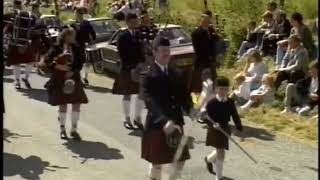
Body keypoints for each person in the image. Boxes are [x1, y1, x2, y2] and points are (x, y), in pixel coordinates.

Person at [141, 37, 193, 180]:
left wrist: (192, 110)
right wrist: (164, 121)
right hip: (158, 124)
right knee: (157, 163)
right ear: (155, 53)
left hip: (176, 121)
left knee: (180, 159)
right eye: (163, 51)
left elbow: (184, 96)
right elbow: (149, 101)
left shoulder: (176, 73)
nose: (166, 54)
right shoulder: (148, 76)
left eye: (168, 50)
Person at [44, 27, 88, 141]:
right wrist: (58, 66)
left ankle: (74, 129)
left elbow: (80, 62)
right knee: (63, 104)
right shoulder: (56, 47)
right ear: (65, 36)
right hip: (59, 78)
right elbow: (47, 60)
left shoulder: (77, 48)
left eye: (73, 35)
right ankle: (62, 129)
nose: (73, 37)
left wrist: (72, 71)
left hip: (74, 78)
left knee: (76, 104)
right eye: (71, 35)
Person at [203, 76, 243, 180]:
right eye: (221, 89)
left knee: (220, 149)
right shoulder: (211, 102)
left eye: (226, 89)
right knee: (221, 150)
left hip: (225, 127)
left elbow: (235, 115)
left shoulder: (230, 102)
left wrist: (239, 127)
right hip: (214, 129)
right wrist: (212, 124)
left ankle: (208, 159)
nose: (223, 91)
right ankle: (219, 176)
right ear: (216, 89)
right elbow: (205, 117)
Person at [112, 13, 145, 130]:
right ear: (128, 23)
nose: (136, 23)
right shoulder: (122, 37)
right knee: (128, 94)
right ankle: (127, 119)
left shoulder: (139, 34)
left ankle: (138, 118)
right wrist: (133, 66)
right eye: (133, 22)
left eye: (136, 21)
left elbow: (142, 51)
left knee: (141, 93)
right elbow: (122, 55)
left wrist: (142, 63)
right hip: (127, 69)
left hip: (139, 69)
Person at [4, 0, 43, 90]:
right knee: (30, 62)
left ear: (14, 5)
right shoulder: (30, 15)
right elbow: (37, 27)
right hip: (26, 43)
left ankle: (17, 81)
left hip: (14, 42)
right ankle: (25, 78)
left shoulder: (10, 15)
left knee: (16, 63)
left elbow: (7, 29)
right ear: (21, 5)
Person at [191, 10, 217, 98]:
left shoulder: (210, 30)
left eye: (208, 21)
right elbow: (198, 49)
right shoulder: (196, 33)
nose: (207, 23)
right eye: (205, 21)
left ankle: (213, 98)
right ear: (201, 21)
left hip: (211, 60)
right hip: (202, 61)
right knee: (206, 82)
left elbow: (214, 42)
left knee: (213, 81)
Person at [70, 6, 96, 87]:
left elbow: (93, 33)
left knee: (86, 63)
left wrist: (91, 41)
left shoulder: (86, 23)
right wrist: (74, 42)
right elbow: (70, 36)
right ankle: (77, 78)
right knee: (76, 63)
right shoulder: (73, 24)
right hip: (75, 46)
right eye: (78, 13)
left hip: (84, 45)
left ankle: (84, 78)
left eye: (81, 13)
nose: (79, 15)